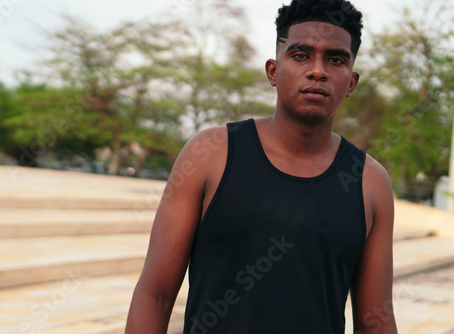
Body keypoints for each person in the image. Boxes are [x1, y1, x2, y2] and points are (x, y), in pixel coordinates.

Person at [126, 0, 397, 333]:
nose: (317, 70)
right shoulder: (210, 153)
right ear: (273, 70)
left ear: (351, 82)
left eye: (335, 59)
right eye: (300, 55)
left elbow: (376, 323)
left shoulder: (369, 182)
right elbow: (155, 294)